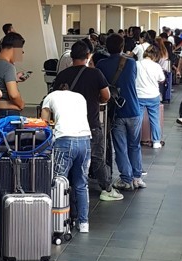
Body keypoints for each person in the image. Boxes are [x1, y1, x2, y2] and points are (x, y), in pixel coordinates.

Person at [53, 40, 123, 202]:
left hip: (66, 125)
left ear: (71, 56)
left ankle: (63, 189)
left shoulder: (62, 75)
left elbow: (55, 98)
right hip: (89, 124)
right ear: (87, 56)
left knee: (65, 159)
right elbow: (106, 96)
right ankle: (106, 189)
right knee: (97, 158)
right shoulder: (95, 73)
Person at [41, 83, 92, 233]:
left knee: (59, 183)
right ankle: (84, 223)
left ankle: (59, 225)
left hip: (64, 139)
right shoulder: (80, 97)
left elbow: (43, 123)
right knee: (81, 184)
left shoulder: (50, 97)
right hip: (85, 139)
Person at [97, 33, 145, 190]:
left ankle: (126, 178)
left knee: (120, 147)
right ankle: (137, 178)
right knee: (135, 145)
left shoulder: (102, 65)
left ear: (106, 47)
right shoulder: (131, 63)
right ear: (122, 46)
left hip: (117, 111)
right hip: (134, 109)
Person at [0, 32, 27, 117]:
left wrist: (14, 78)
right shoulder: (8, 66)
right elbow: (13, 95)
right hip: (8, 112)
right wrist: (21, 104)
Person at [136, 45, 165, 149]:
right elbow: (162, 79)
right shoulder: (156, 66)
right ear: (155, 55)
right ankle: (156, 141)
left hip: (139, 95)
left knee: (137, 119)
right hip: (153, 95)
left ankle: (135, 140)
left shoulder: (136, 64)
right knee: (154, 119)